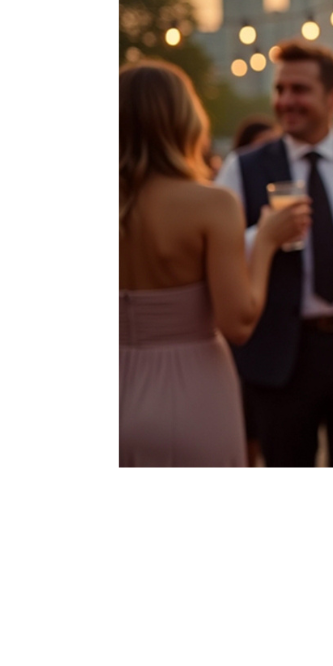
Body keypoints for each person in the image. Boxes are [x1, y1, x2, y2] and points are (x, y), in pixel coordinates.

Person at [120, 61, 311, 465]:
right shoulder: (211, 204)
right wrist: (266, 241)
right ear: (185, 120)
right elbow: (239, 323)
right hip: (193, 390)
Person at [218, 40, 333, 466]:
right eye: (280, 90)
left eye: (300, 90)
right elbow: (219, 253)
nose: (286, 101)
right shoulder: (243, 167)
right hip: (280, 353)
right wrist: (262, 235)